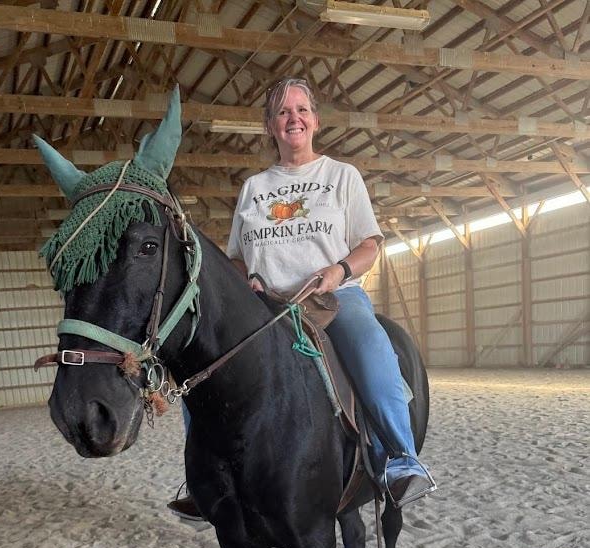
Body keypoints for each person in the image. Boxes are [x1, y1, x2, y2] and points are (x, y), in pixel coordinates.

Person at [168, 77, 435, 521]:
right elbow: (236, 259)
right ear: (270, 127)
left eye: (301, 110)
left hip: (331, 300)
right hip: (265, 307)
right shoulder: (254, 188)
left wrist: (339, 271)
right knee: (201, 370)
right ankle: (205, 478)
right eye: (283, 112)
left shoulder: (340, 176)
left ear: (315, 121)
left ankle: (401, 459)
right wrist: (243, 285)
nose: (293, 118)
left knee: (372, 350)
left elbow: (370, 244)